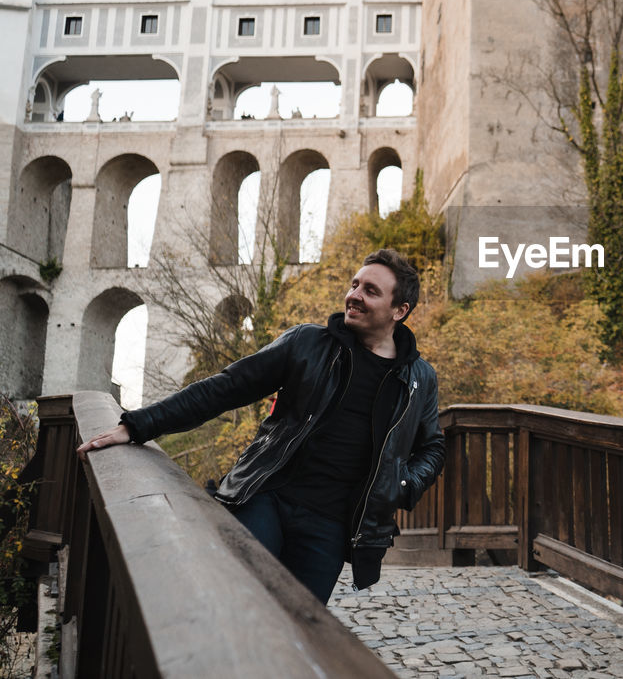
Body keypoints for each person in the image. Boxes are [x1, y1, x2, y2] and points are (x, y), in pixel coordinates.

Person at [76, 248, 446, 604]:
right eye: (354, 285)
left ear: (400, 310)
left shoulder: (419, 379)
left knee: (298, 625)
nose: (354, 296)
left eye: (370, 290)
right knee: (235, 593)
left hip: (331, 526)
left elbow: (432, 447)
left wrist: (402, 484)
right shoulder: (308, 344)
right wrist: (139, 425)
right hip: (265, 497)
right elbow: (224, 388)